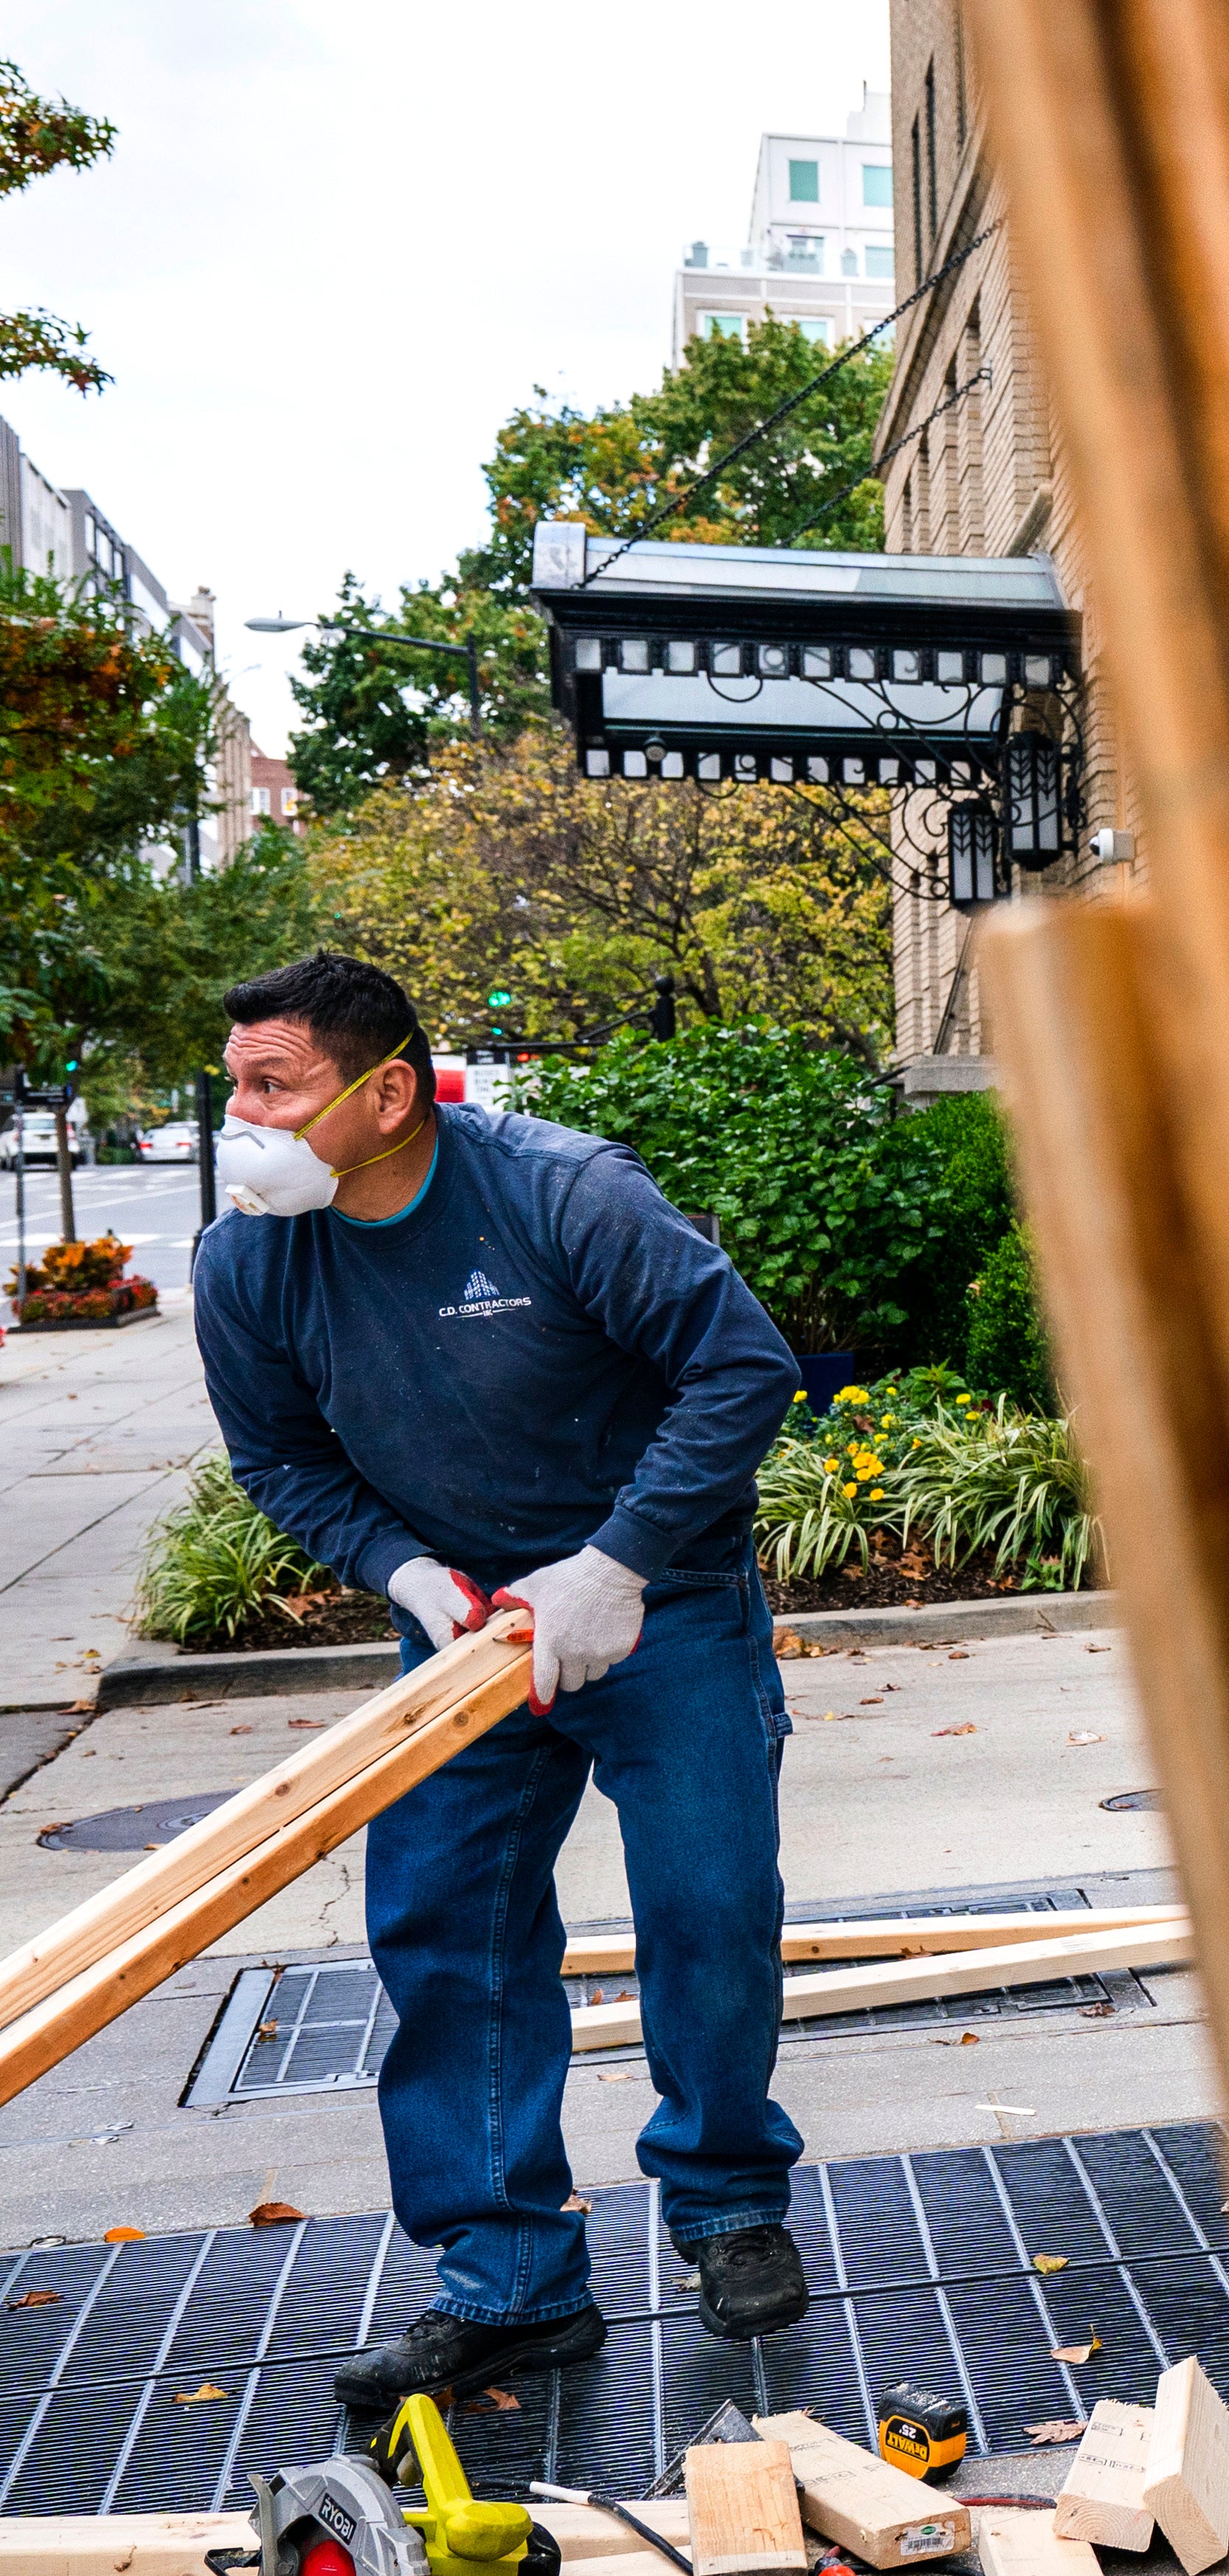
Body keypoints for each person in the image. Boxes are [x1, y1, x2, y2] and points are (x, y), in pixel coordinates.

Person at [191, 955, 812, 2407]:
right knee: (445, 1938)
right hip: (464, 1634)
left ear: (386, 1090)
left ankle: (726, 2212)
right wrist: (407, 1573)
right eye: (236, 1082)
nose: (241, 1115)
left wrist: (619, 1560)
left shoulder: (558, 1194)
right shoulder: (249, 1262)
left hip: (658, 1607)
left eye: (271, 1085)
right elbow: (281, 1457)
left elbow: (739, 1367)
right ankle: (509, 2277)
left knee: (708, 1909)